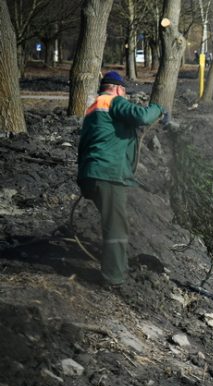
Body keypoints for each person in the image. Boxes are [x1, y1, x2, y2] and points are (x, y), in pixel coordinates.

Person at [77, 71, 165, 286]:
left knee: (114, 222)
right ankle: (114, 277)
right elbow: (142, 116)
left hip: (92, 173)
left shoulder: (94, 108)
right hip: (107, 174)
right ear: (118, 89)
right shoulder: (113, 101)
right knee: (116, 226)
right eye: (124, 92)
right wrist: (159, 109)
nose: (124, 96)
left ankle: (117, 266)